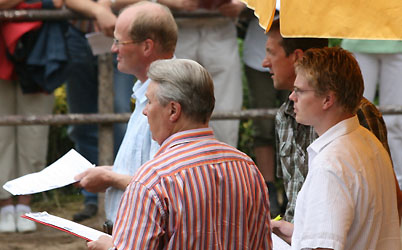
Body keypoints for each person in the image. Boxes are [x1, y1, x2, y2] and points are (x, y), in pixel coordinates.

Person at [87, 58, 272, 250]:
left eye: (149, 102)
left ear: (173, 110)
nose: (145, 112)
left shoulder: (154, 178)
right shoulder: (247, 168)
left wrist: (109, 247)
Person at [262, 19, 397, 223]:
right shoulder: (283, 115)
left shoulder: (357, 112)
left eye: (271, 52)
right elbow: (294, 202)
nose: (264, 62)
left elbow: (388, 195)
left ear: (297, 57)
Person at [73, 1, 177, 226]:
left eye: (119, 41)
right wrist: (108, 173)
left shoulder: (168, 99)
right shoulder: (147, 91)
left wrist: (109, 178)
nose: (113, 49)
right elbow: (145, 170)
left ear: (147, 47)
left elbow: (165, 186)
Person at [64, 0, 135, 222]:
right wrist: (98, 10)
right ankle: (90, 196)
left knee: (120, 114)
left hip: (123, 35)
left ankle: (125, 191)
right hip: (78, 34)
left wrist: (105, 4)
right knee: (82, 120)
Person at [0, 0, 63, 233]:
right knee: (1, 132)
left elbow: (57, 2)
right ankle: (5, 206)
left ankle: (25, 203)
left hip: (41, 49)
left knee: (35, 129)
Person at [165, 0, 245, 147]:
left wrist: (243, 3)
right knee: (176, 104)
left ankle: (226, 164)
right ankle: (177, 164)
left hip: (221, 31)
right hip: (181, 31)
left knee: (226, 112)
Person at [243, 9, 288, 216]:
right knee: (263, 125)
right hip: (258, 49)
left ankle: (294, 185)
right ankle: (267, 189)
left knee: (300, 121)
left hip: (295, 46)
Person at [341, 39, 402, 189]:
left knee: (396, 121)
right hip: (359, 36)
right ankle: (355, 183)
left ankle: (399, 187)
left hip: (397, 37)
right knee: (352, 116)